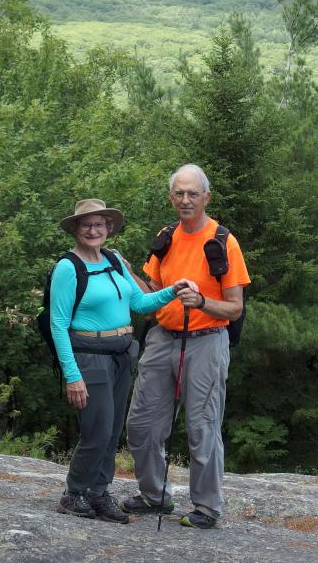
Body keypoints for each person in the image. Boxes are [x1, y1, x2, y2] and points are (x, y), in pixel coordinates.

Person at [51, 198, 196, 523]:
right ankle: (73, 494)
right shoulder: (68, 267)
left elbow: (142, 303)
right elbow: (57, 325)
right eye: (86, 224)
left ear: (109, 228)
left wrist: (174, 290)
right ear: (75, 229)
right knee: (97, 432)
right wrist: (72, 376)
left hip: (120, 358)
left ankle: (99, 493)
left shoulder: (114, 260)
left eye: (99, 224)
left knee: (112, 430)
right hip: (88, 358)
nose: (93, 230)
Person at [124, 164, 250, 529]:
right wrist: (128, 273)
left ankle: (207, 508)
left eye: (193, 193)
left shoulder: (223, 241)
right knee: (142, 423)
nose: (185, 199)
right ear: (171, 197)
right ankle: (154, 496)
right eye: (179, 193)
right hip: (163, 338)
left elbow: (235, 306)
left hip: (207, 340)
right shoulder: (165, 237)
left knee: (203, 426)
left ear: (206, 197)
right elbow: (152, 296)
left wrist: (201, 303)